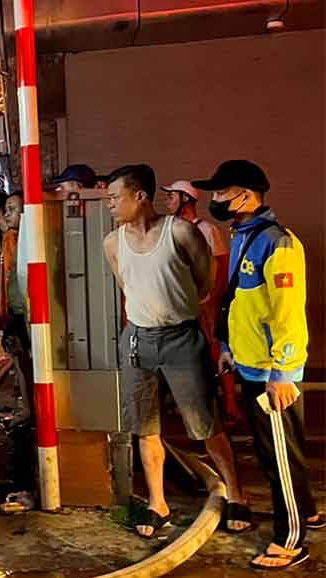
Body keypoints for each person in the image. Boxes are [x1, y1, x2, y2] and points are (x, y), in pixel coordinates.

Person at [102, 164, 250, 538]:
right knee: (145, 426)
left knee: (205, 422)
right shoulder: (113, 243)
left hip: (182, 338)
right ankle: (158, 504)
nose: (110, 205)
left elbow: (204, 283)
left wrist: (178, 308)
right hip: (137, 341)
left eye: (115, 197)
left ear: (139, 196)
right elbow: (125, 286)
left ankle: (236, 493)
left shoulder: (180, 232)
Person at [193, 160, 324, 569]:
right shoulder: (245, 235)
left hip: (271, 371)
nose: (215, 200)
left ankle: (291, 540)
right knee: (282, 451)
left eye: (221, 193)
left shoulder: (276, 242)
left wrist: (283, 373)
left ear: (246, 195)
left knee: (278, 457)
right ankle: (307, 512)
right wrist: (230, 347)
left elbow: (288, 314)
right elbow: (243, 303)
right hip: (252, 363)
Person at [161, 180, 241, 423]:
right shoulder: (169, 229)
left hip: (205, 302)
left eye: (172, 196)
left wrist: (214, 299)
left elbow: (224, 264)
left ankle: (230, 401)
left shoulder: (207, 229)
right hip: (179, 305)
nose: (167, 201)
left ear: (186, 199)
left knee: (216, 349)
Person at [0, 191, 35, 427]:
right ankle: (29, 409)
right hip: (18, 313)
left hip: (28, 313)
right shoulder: (16, 239)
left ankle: (32, 410)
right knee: (22, 363)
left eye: (12, 209)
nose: (7, 215)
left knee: (28, 364)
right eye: (7, 209)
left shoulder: (31, 240)